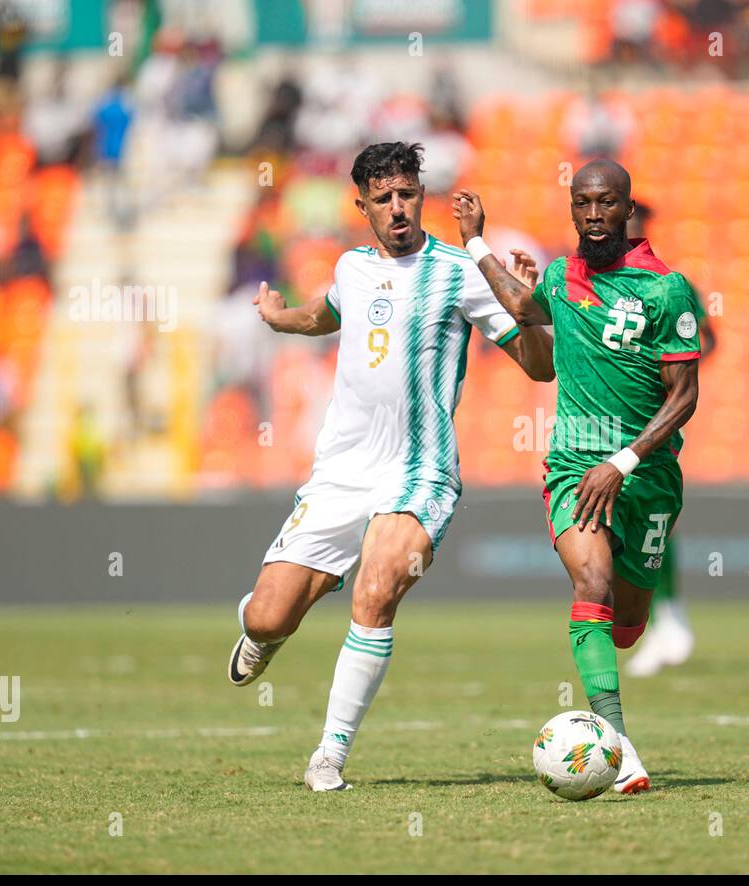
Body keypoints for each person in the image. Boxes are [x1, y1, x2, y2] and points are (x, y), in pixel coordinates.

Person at [226, 142, 553, 792]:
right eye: (383, 198)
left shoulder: (463, 272)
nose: (397, 208)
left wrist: (528, 304)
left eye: (407, 194)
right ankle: (266, 631)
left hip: (420, 470)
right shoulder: (350, 268)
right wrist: (278, 319)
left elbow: (540, 365)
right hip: (340, 472)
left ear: (421, 197)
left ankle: (329, 756)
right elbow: (325, 315)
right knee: (267, 615)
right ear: (363, 206)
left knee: (375, 595)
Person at [453, 159, 701, 793]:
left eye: (606, 203)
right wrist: (476, 242)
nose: (593, 215)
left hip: (646, 476)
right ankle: (618, 748)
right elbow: (523, 309)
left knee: (625, 626)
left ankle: (625, 660)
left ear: (627, 209)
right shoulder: (563, 277)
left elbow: (685, 397)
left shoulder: (668, 290)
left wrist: (624, 463)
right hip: (573, 466)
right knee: (590, 579)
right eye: (582, 203)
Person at [620, 200, 716, 678]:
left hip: (654, 414)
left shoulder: (669, 285)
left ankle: (668, 619)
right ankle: (660, 620)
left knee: (654, 513)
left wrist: (674, 358)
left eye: (638, 222)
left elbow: (707, 337)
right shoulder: (595, 282)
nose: (631, 229)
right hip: (611, 415)